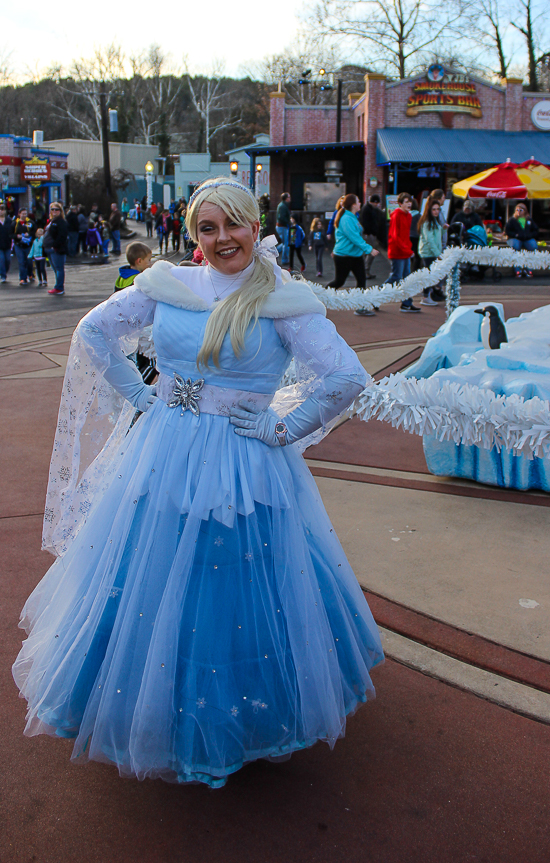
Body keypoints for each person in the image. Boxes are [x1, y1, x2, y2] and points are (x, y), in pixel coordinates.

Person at [12, 177, 383, 789]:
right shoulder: (170, 283)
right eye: (206, 229)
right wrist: (137, 395)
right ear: (193, 236)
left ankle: (244, 717)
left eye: (232, 224)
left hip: (243, 461)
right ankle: (150, 708)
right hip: (163, 449)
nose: (221, 239)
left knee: (232, 578)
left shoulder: (282, 297)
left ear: (254, 226)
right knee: (150, 570)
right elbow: (93, 332)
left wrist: (282, 429)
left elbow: (345, 377)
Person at [327, 194, 379, 318]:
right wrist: (369, 249)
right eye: (358, 201)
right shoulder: (346, 218)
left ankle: (360, 307)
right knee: (339, 281)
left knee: (361, 280)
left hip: (355, 256)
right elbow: (354, 237)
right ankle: (319, 297)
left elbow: (357, 235)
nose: (360, 203)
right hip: (343, 256)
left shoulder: (352, 217)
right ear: (353, 205)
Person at [387, 193, 420, 313]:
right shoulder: (396, 215)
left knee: (406, 278)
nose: (409, 204)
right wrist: (407, 250)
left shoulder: (408, 215)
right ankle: (375, 297)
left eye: (410, 201)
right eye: (406, 202)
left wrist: (408, 249)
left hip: (405, 251)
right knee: (396, 276)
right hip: (398, 251)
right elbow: (396, 236)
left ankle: (406, 303)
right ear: (400, 203)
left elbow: (405, 235)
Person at [418, 199, 444, 306]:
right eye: (433, 209)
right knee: (429, 275)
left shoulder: (434, 221)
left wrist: (444, 229)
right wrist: (438, 253)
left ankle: (428, 295)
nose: (436, 211)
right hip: (429, 253)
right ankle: (425, 296)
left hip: (432, 252)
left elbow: (437, 235)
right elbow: (429, 239)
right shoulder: (428, 222)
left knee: (431, 275)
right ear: (429, 210)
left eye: (438, 209)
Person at [505, 203, 539, 278]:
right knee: (516, 248)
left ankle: (529, 269)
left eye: (521, 210)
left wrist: (530, 235)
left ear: (525, 211)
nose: (518, 212)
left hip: (527, 238)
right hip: (516, 238)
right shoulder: (512, 220)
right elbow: (507, 231)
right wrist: (515, 235)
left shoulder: (529, 220)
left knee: (533, 246)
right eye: (517, 210)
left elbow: (536, 230)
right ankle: (517, 270)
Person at [43, 202, 69, 295]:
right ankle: (58, 286)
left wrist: (54, 246)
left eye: (56, 209)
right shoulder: (52, 221)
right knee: (55, 269)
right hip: (49, 249)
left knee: (59, 269)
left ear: (60, 211)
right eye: (52, 209)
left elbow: (62, 236)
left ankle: (59, 287)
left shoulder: (61, 222)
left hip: (56, 250)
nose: (54, 211)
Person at [359, 194, 386, 279]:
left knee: (368, 252)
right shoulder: (368, 210)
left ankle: (364, 270)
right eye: (376, 203)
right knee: (371, 252)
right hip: (369, 234)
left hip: (368, 233)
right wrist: (371, 232)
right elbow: (367, 223)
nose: (376, 205)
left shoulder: (367, 208)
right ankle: (365, 270)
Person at [12, 207, 36, 285]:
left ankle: (30, 274)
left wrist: (29, 234)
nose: (24, 215)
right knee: (21, 262)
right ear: (19, 214)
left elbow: (35, 232)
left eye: (25, 213)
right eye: (23, 214)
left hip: (28, 245)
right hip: (19, 245)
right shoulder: (15, 223)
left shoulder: (30, 222)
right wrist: (16, 236)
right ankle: (23, 278)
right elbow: (10, 234)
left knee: (29, 261)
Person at [276, 192, 291, 266]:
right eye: (289, 197)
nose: (290, 199)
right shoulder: (283, 206)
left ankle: (275, 252)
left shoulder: (282, 205)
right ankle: (284, 260)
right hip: (283, 226)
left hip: (281, 226)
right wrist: (288, 222)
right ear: (286, 198)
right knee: (286, 243)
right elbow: (281, 217)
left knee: (284, 243)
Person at [0, 203, 13, 283]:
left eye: (2, 209)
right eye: (0, 209)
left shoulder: (9, 220)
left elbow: (12, 231)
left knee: (7, 260)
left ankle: (5, 271)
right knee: (1, 260)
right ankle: (3, 275)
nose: (1, 211)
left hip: (7, 244)